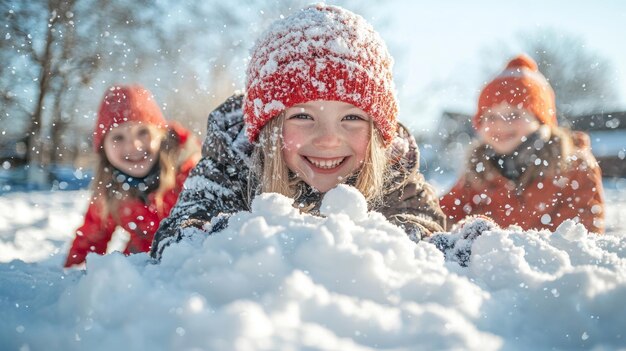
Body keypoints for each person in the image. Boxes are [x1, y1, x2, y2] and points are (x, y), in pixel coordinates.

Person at [150, 4, 446, 260]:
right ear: (270, 128)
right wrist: (250, 239)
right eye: (303, 116)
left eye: (352, 117)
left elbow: (426, 241)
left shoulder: (394, 172)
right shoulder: (234, 163)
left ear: (378, 133)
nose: (328, 138)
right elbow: (180, 238)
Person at [439, 54, 605, 234]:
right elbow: (441, 216)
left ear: (541, 121)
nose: (501, 124)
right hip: (487, 261)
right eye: (491, 117)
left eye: (514, 115)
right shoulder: (479, 171)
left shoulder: (573, 167)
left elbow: (582, 234)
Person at [64, 84, 200, 267]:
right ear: (104, 148)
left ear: (161, 135)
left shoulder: (192, 173)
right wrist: (69, 278)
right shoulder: (111, 187)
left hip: (189, 262)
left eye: (143, 132)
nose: (133, 146)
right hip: (141, 264)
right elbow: (91, 237)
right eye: (118, 138)